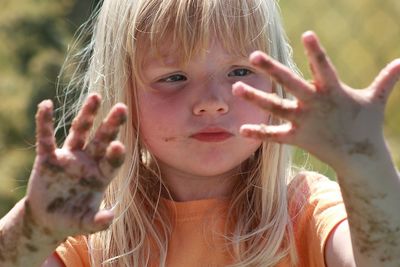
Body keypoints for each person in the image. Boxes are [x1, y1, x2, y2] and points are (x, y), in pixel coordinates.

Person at [0, 0, 399, 266]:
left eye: (240, 71)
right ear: (123, 93)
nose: (212, 102)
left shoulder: (305, 211)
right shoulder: (93, 231)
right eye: (174, 77)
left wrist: (364, 165)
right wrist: (31, 232)